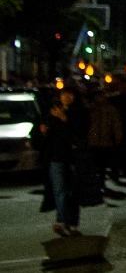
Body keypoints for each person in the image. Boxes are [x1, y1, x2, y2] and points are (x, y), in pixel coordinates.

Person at [37, 83, 92, 237]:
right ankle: (61, 221)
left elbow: (80, 133)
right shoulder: (52, 112)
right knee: (60, 190)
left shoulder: (80, 112)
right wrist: (42, 131)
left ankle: (72, 223)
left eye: (70, 94)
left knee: (72, 192)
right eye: (64, 94)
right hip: (56, 156)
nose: (66, 97)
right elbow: (43, 133)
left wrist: (65, 119)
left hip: (74, 158)